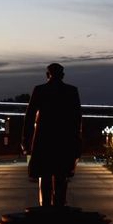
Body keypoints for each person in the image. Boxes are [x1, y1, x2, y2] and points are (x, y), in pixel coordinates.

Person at [21, 63, 82, 207]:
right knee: (61, 178)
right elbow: (76, 119)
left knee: (45, 177)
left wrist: (26, 139)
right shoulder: (71, 91)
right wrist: (77, 142)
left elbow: (29, 117)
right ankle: (59, 209)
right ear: (62, 75)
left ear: (47, 75)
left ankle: (46, 209)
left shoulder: (40, 90)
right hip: (64, 141)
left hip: (44, 141)